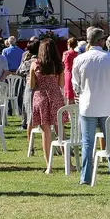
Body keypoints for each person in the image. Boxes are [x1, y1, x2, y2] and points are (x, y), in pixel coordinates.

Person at [72, 27, 110, 185]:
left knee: (87, 143)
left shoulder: (80, 59)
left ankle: (85, 177)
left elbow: (76, 85)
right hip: (107, 104)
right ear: (101, 41)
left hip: (88, 104)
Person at [29, 38, 67, 172]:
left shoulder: (35, 65)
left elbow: (32, 85)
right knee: (60, 131)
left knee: (46, 133)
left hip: (40, 97)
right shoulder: (59, 65)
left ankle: (48, 165)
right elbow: (61, 84)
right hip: (55, 96)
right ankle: (68, 161)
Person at [61, 37, 79, 104]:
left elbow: (63, 62)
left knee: (68, 93)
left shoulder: (66, 53)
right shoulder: (77, 54)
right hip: (75, 72)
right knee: (73, 92)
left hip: (67, 73)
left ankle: (69, 111)